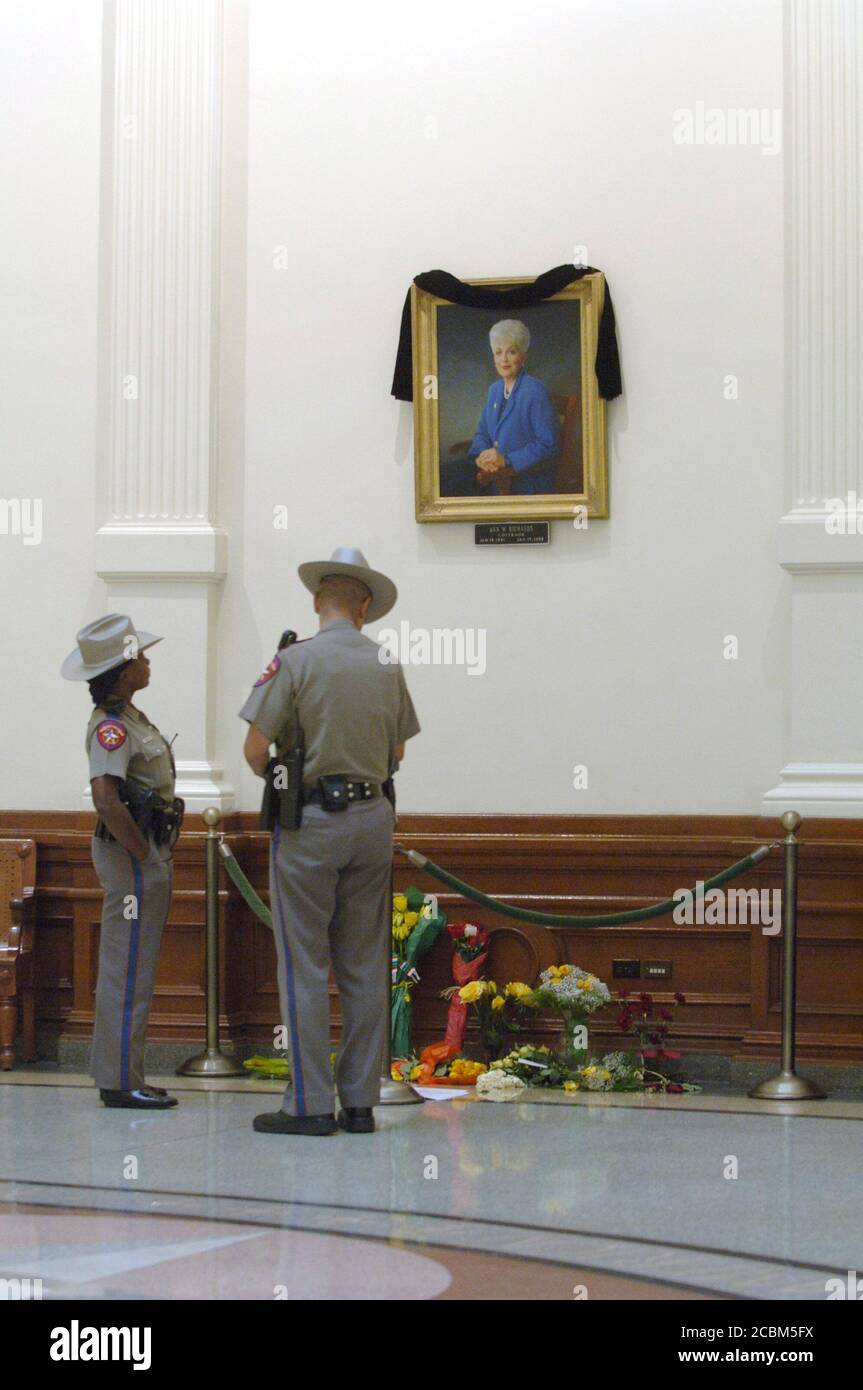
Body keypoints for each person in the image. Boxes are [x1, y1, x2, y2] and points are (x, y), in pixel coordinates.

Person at [240, 547, 420, 1137]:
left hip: (310, 823)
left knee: (304, 963)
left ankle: (311, 1105)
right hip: (374, 819)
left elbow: (253, 751)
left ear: (317, 602)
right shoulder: (387, 663)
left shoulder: (294, 661)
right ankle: (362, 1103)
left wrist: (291, 777)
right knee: (366, 963)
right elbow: (396, 753)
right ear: (365, 608)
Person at [61, 614, 183, 1110]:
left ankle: (125, 1073)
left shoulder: (132, 717)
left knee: (135, 964)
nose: (148, 659)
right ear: (121, 669)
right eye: (140, 655)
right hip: (130, 852)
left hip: (143, 849)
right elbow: (106, 799)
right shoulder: (111, 727)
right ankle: (118, 1081)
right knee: (126, 967)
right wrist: (143, 856)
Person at [439, 318, 561, 496]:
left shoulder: (535, 391)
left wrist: (506, 459)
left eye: (511, 352)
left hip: (520, 480)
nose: (504, 359)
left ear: (523, 356)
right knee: (442, 476)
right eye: (498, 352)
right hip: (491, 472)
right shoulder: (494, 390)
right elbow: (483, 434)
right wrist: (481, 457)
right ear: (493, 357)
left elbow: (549, 446)